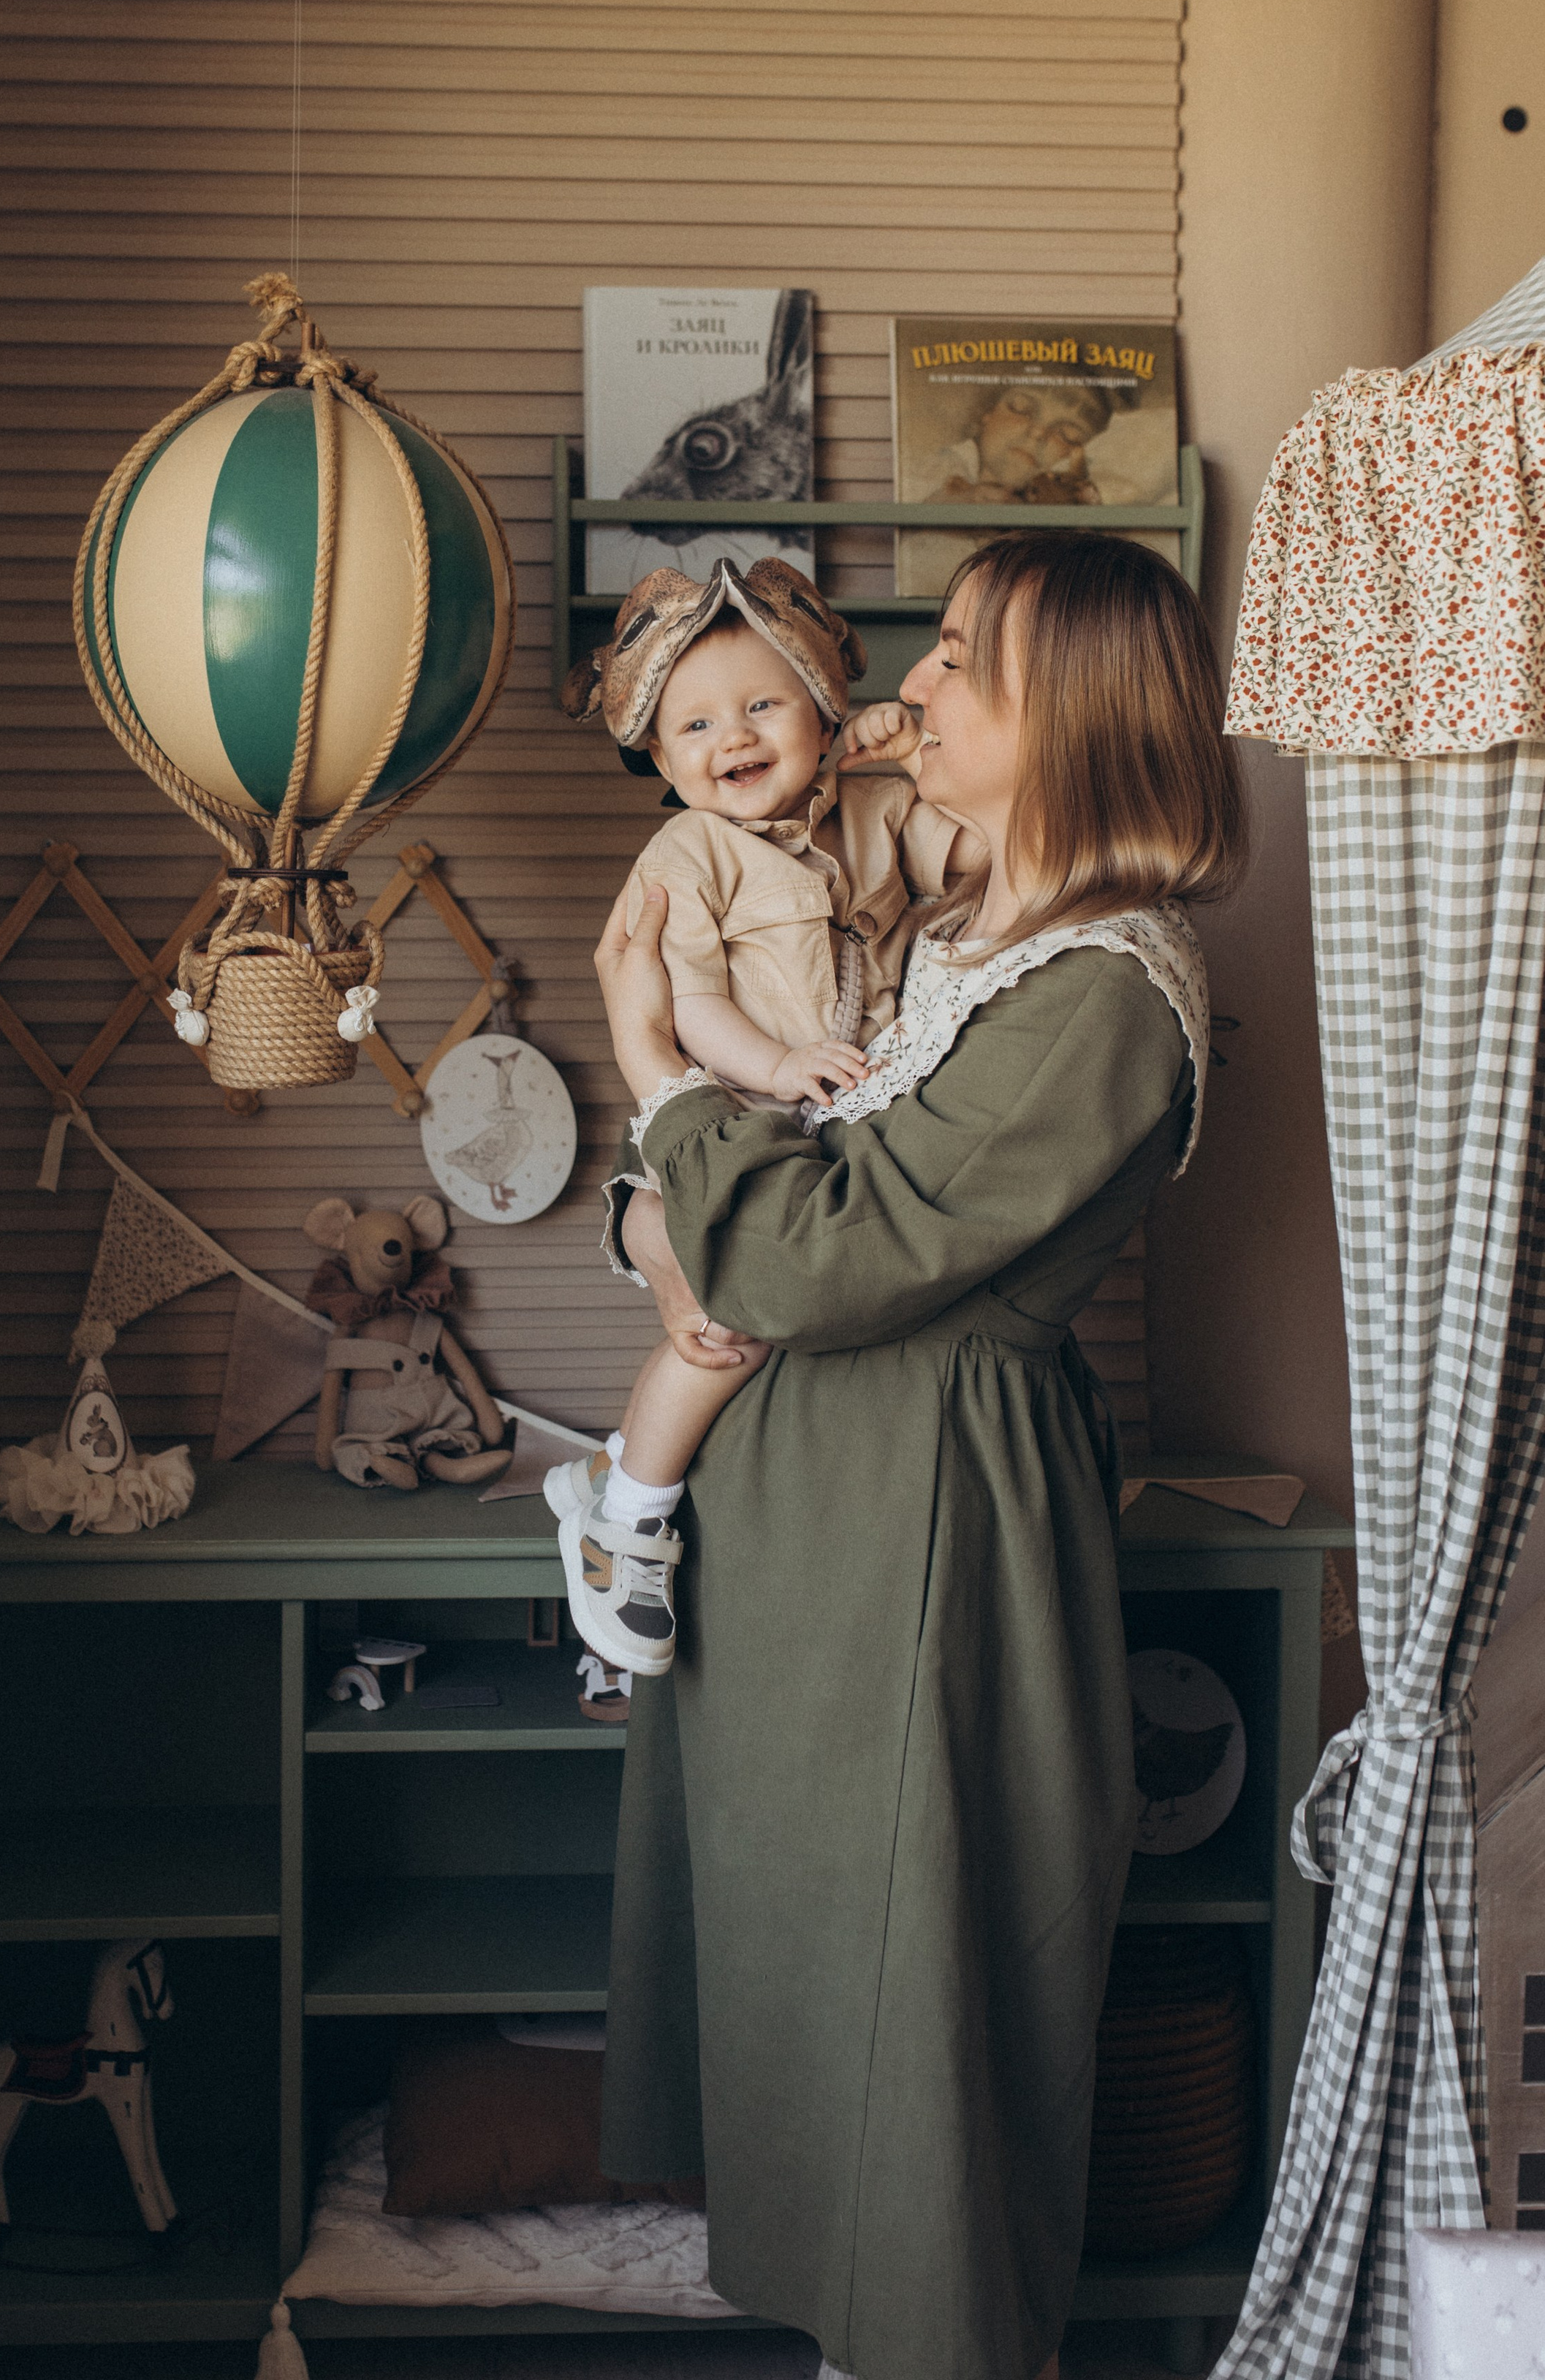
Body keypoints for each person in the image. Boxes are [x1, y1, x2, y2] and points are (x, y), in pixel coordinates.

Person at [587, 530, 1246, 2380]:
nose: (913, 684)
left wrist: (660, 1073)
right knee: (816, 2008)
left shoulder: (1106, 989)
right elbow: (728, 1227)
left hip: (921, 1534)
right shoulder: (965, 934)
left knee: (922, 2048)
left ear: (1069, 718)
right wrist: (661, 1219)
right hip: (813, 1532)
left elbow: (803, 1248)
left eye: (959, 658)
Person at [550, 556, 979, 1676]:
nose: (729, 736)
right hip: (727, 1123)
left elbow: (981, 858)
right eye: (693, 724)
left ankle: (612, 1473)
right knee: (718, 1335)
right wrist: (778, 1060)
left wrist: (920, 759)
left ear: (824, 712)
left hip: (840, 1129)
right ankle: (628, 1524)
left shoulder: (880, 815)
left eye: (760, 704)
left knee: (786, 1333)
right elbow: (682, 1003)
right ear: (656, 754)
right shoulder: (684, 856)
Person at [910, 376, 1136, 506]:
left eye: (1067, 434)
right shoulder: (927, 475)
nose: (1039, 432)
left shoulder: (1074, 501)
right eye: (1022, 408)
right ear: (987, 412)